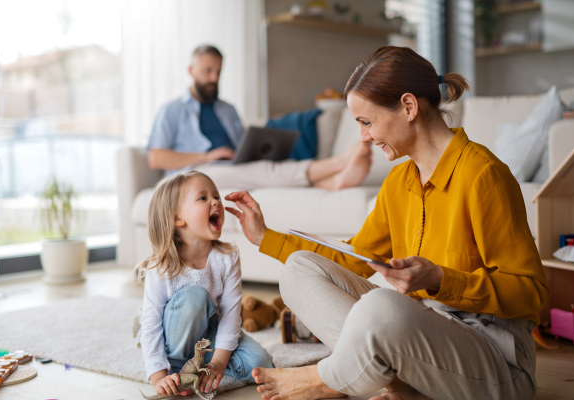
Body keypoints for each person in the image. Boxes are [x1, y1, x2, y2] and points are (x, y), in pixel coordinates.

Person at [223, 46, 550, 400]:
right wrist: (265, 237)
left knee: (383, 308)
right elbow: (352, 259)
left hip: (495, 361)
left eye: (367, 122)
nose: (364, 137)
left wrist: (440, 278)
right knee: (299, 271)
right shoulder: (398, 182)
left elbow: (532, 294)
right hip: (422, 340)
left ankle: (327, 380)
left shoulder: (484, 175)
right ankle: (402, 383)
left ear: (409, 107)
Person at [147, 44, 372, 191]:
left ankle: (331, 183)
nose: (214, 78)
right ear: (191, 71)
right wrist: (207, 156)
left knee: (266, 166)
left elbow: (240, 147)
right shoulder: (173, 110)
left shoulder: (227, 110)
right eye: (207, 71)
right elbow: (156, 158)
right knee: (263, 172)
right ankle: (338, 163)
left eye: (218, 72)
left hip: (231, 169)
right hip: (191, 177)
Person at [135, 171, 273, 397]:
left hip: (211, 332)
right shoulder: (161, 266)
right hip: (176, 334)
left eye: (216, 196)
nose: (216, 201)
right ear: (177, 218)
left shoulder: (228, 257)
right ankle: (178, 365)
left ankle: (201, 364)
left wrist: (219, 361)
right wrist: (158, 376)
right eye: (203, 198)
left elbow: (230, 313)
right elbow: (152, 324)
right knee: (195, 297)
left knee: (261, 363)